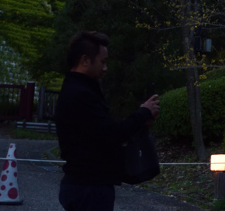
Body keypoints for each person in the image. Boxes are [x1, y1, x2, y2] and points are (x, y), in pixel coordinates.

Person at [55, 31, 160, 211]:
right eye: (102, 62)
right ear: (85, 60)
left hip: (82, 184)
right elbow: (111, 133)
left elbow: (100, 131)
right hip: (89, 187)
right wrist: (143, 113)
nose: (105, 68)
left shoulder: (77, 89)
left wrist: (141, 120)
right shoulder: (81, 94)